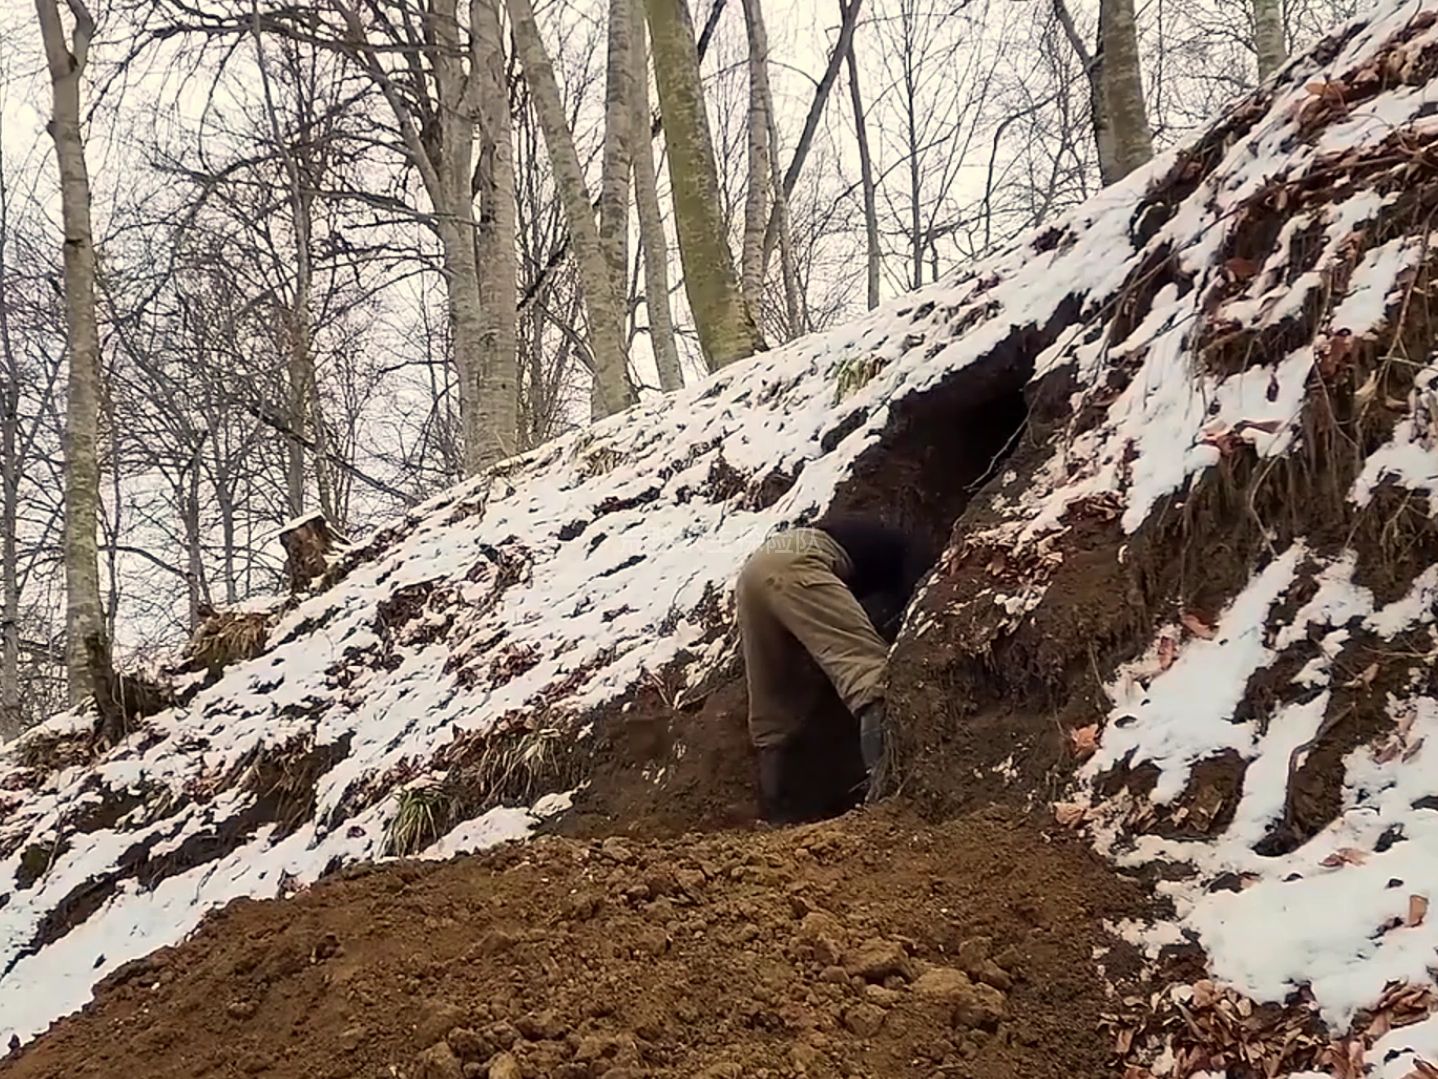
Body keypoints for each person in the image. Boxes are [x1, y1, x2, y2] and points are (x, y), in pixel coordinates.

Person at [736, 514, 931, 822]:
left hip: (754, 571)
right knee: (868, 675)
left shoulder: (857, 535)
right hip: (802, 562)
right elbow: (916, 605)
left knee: (772, 710)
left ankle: (776, 817)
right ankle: (884, 799)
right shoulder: (911, 552)